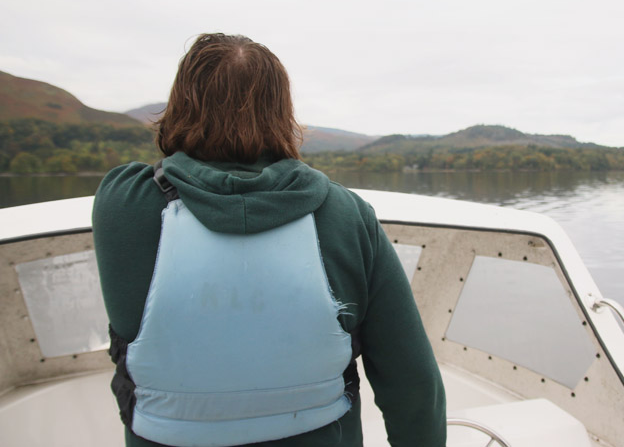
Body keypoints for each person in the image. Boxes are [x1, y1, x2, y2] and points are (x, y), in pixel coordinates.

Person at [93, 33, 446, 447]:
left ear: (181, 105)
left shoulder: (123, 203)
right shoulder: (345, 215)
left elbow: (170, 168)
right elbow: (413, 385)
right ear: (282, 113)